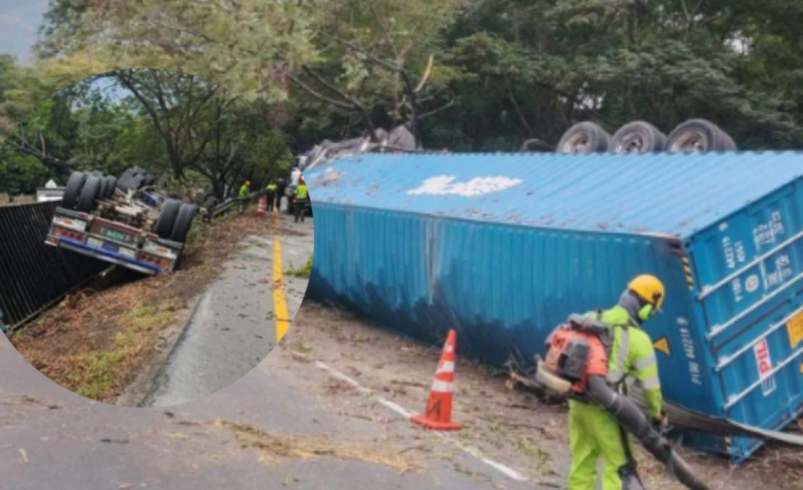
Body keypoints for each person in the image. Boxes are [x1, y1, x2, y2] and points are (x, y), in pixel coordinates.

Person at [568, 274, 666, 490]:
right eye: (652, 310)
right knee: (620, 468)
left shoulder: (591, 316)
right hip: (606, 411)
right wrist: (656, 414)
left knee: (582, 462)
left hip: (577, 403)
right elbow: (652, 389)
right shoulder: (640, 340)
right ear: (645, 308)